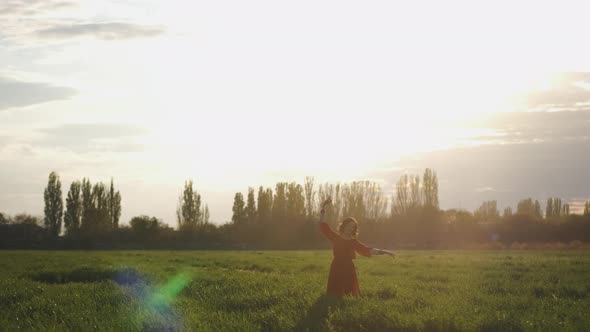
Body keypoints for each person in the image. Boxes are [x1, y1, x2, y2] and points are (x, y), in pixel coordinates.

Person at [319, 198, 394, 297]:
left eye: (353, 227)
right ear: (344, 225)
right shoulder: (335, 238)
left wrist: (385, 252)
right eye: (349, 226)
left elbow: (367, 250)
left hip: (349, 268)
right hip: (336, 267)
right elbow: (323, 226)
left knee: (349, 294)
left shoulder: (353, 242)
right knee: (334, 294)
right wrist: (323, 207)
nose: (350, 229)